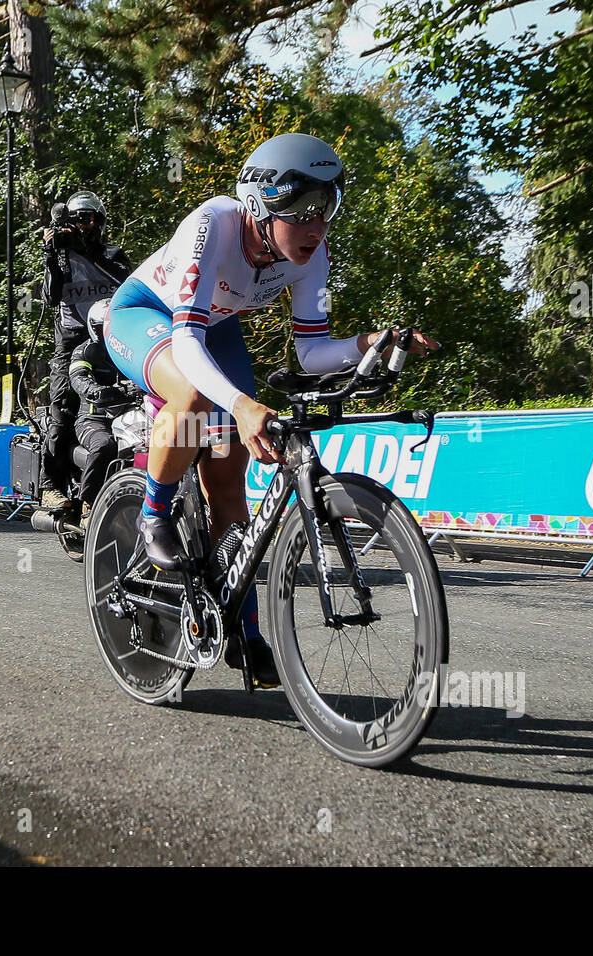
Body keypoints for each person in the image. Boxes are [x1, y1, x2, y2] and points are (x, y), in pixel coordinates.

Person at [103, 132, 438, 687]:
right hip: (146, 317)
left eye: (328, 209)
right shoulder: (211, 225)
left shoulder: (313, 255)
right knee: (189, 398)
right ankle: (154, 512)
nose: (317, 227)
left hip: (216, 327)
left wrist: (365, 343)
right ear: (260, 207)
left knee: (229, 484)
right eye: (304, 211)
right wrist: (241, 405)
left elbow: (311, 351)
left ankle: (246, 629)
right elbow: (186, 344)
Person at [39, 191, 134, 513]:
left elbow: (130, 283)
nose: (85, 225)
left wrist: (88, 252)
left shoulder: (113, 254)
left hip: (113, 336)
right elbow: (50, 298)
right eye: (79, 219)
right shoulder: (61, 254)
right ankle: (50, 486)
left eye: (91, 218)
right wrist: (50, 255)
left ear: (101, 221)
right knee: (62, 406)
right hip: (72, 338)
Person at [67, 305, 129, 518]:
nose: (112, 330)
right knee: (105, 445)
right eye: (106, 326)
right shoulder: (84, 351)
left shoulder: (133, 348)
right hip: (93, 419)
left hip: (130, 416)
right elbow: (78, 378)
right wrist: (98, 391)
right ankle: (89, 503)